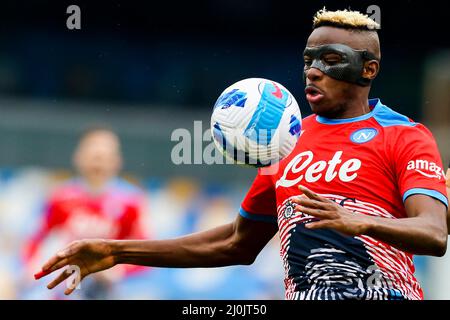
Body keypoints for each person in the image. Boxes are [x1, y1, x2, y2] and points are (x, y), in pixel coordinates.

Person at [37, 9, 448, 300]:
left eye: (331, 60)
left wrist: (354, 221)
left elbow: (433, 234)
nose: (313, 70)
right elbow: (237, 243)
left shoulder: (403, 136)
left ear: (368, 70)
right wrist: (116, 251)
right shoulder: (285, 141)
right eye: (308, 60)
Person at [25, 126, 149, 299]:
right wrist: (34, 267)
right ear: (78, 158)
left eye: (104, 157)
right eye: (94, 157)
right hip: (65, 284)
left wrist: (117, 272)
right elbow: (34, 241)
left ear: (117, 161)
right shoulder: (59, 198)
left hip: (110, 287)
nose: (98, 164)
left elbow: (146, 253)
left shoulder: (131, 202)